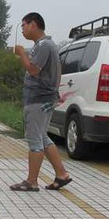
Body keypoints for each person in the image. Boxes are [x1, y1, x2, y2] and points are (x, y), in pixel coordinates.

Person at [10, 12, 72, 192]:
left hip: (39, 98)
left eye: (23, 25)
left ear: (33, 24)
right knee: (42, 137)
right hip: (45, 98)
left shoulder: (44, 45)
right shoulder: (44, 45)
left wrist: (22, 53)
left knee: (34, 139)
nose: (22, 29)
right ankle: (61, 174)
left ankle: (31, 182)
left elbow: (33, 69)